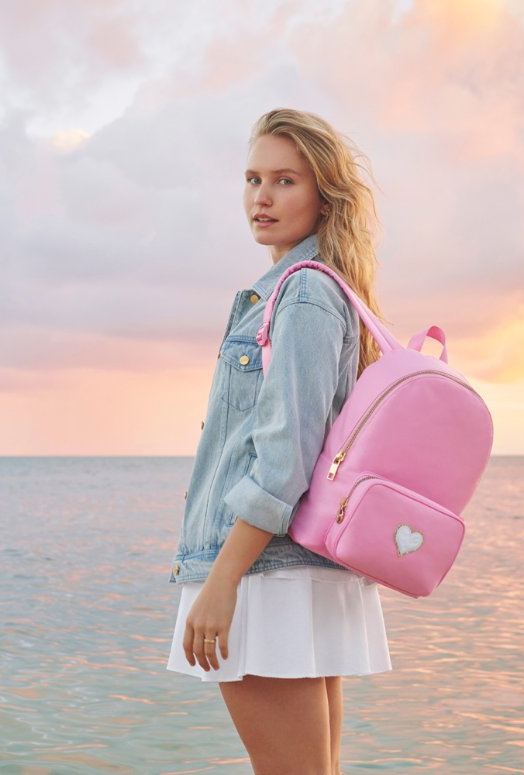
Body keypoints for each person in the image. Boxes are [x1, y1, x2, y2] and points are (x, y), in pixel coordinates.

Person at [166, 108, 392, 775]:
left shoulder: (302, 297)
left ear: (324, 195)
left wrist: (221, 581)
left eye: (285, 180)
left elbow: (283, 459)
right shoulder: (316, 289)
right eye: (253, 178)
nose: (261, 197)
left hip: (268, 576)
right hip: (295, 572)